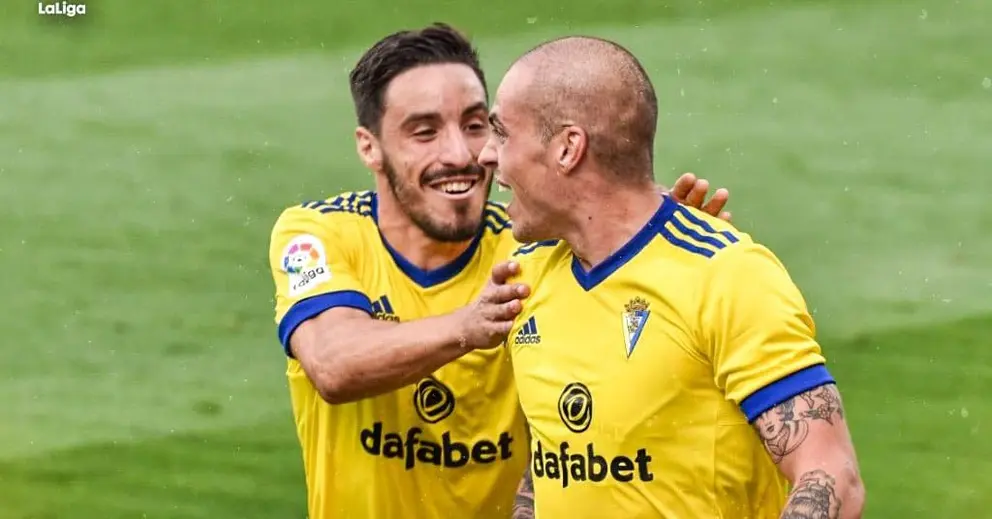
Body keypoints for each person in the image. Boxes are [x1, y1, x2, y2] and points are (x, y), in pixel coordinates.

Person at [266, 24, 733, 519]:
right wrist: (469, 327)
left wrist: (663, 260)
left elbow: (624, 390)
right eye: (424, 132)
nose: (461, 155)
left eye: (475, 125)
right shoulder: (316, 234)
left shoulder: (537, 245)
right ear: (369, 147)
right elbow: (334, 365)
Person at [478, 35, 865, 519]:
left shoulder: (725, 276)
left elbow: (832, 476)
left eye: (502, 133)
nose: (485, 156)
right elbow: (564, 459)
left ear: (567, 149)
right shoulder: (530, 276)